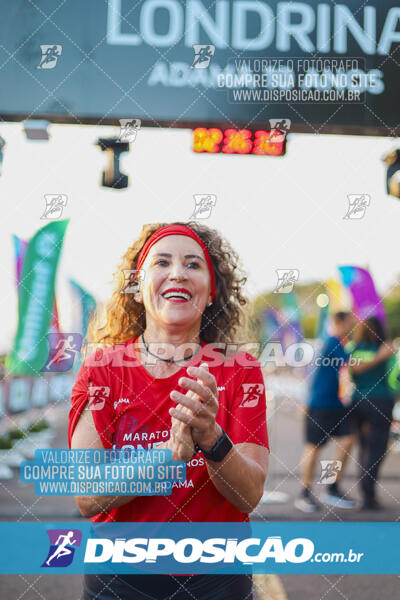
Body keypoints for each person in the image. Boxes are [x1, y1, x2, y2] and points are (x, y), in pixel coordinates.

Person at [68, 222, 269, 600]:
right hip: (120, 579)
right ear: (138, 287)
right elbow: (88, 494)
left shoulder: (241, 369)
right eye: (162, 262)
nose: (178, 272)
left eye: (193, 265)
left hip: (218, 579)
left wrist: (212, 439)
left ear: (212, 293)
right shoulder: (101, 369)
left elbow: (249, 496)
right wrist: (170, 456)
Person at [295, 312, 356, 513]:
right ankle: (304, 493)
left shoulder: (338, 342)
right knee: (314, 447)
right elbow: (354, 365)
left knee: (347, 440)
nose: (352, 325)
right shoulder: (332, 342)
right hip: (320, 405)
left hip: (336, 405)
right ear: (340, 322)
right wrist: (382, 354)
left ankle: (331, 487)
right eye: (349, 322)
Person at [349, 317, 395, 510]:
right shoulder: (386, 350)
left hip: (358, 401)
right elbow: (395, 376)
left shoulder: (355, 349)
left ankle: (366, 491)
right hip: (381, 401)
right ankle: (368, 494)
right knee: (377, 449)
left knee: (364, 447)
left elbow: (352, 372)